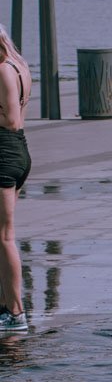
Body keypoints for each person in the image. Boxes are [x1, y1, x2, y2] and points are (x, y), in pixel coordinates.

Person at [0, 25, 32, 333]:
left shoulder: (4, 70)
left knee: (4, 236)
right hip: (17, 151)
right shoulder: (19, 65)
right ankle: (6, 304)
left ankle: (15, 312)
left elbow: (11, 119)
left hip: (5, 153)